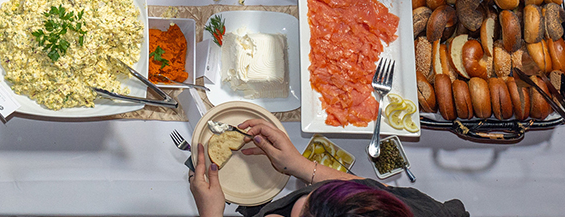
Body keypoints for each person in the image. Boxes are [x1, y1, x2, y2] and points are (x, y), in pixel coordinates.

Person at [189, 119, 469, 217]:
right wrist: (300, 165)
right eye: (315, 195)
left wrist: (211, 214)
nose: (300, 201)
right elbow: (373, 188)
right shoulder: (428, 212)